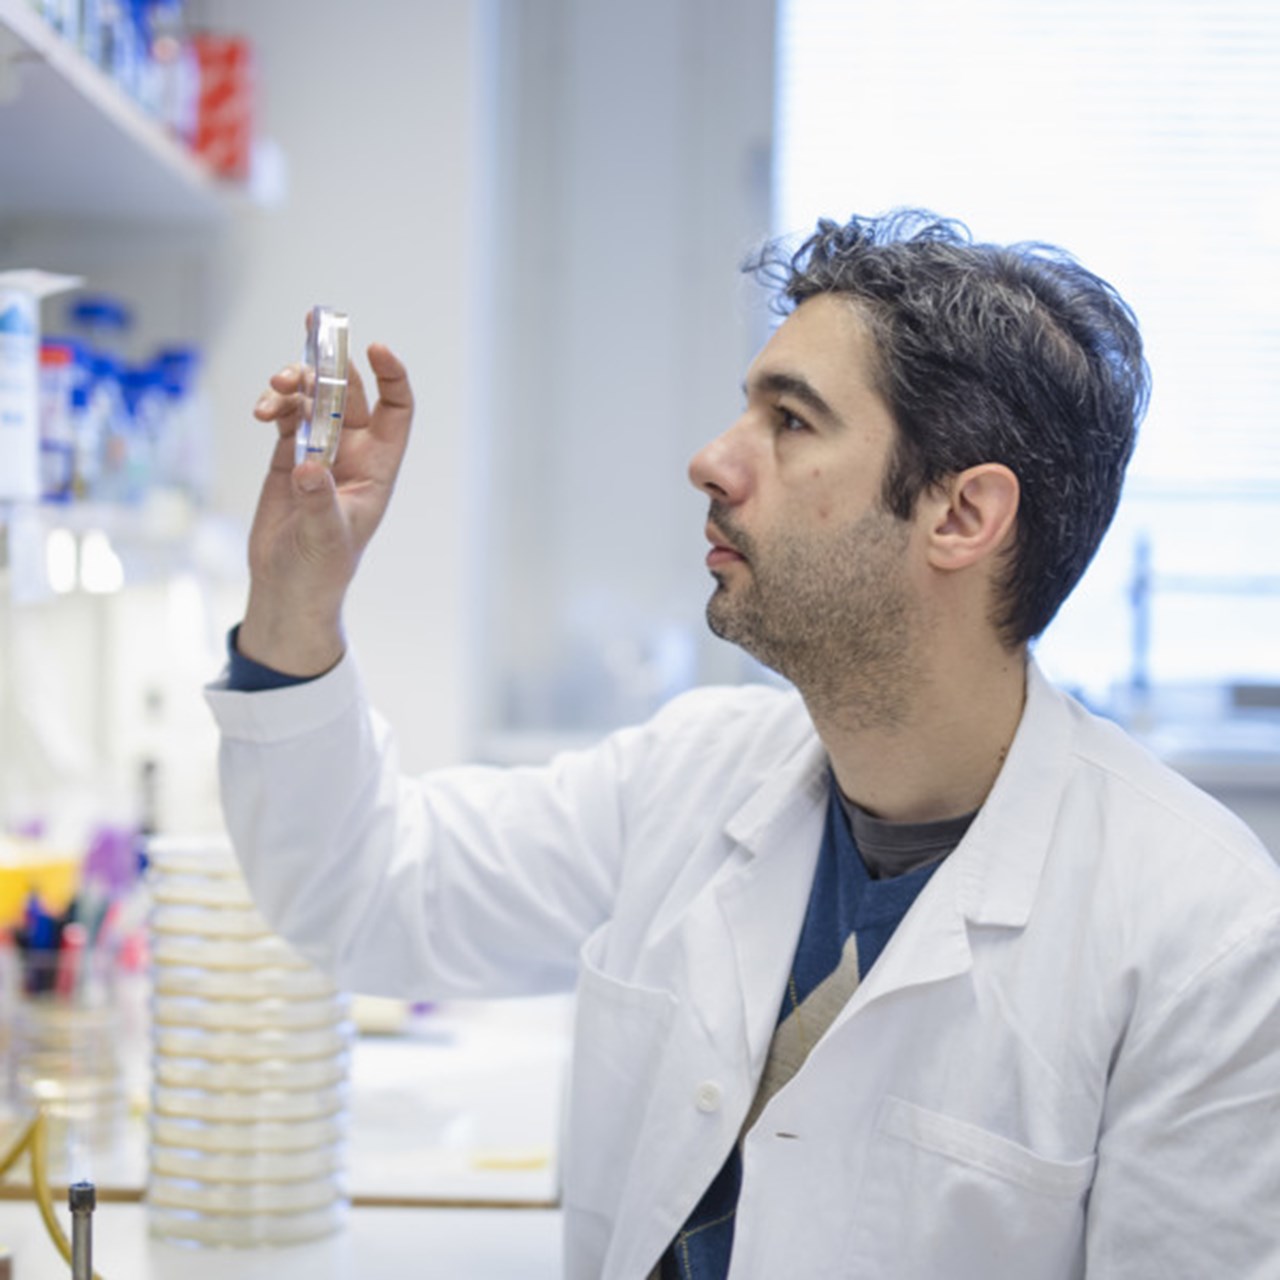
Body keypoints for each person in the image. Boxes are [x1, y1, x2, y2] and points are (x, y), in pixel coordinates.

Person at [207, 210, 1280, 1280]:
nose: (711, 460)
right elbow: (363, 891)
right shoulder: (693, 770)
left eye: (791, 421)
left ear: (960, 515)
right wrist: (295, 600)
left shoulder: (1199, 936)